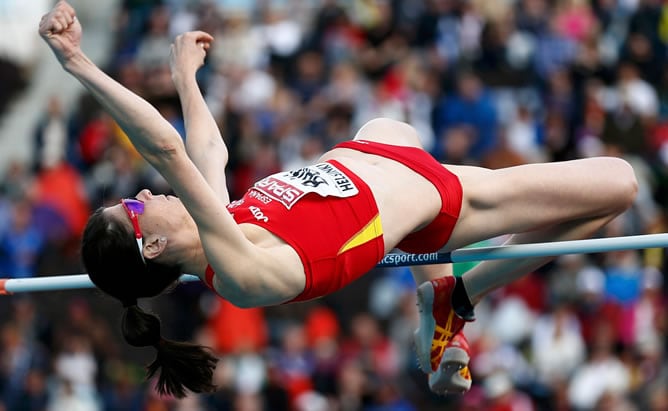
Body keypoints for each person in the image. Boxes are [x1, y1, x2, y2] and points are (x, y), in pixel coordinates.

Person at [39, 0, 638, 399]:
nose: (143, 192)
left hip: (381, 148)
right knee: (618, 185)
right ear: (155, 244)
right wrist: (78, 63)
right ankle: (459, 292)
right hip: (442, 200)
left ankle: (443, 303)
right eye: (135, 206)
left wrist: (187, 81)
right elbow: (168, 153)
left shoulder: (221, 221)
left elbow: (207, 154)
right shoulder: (240, 270)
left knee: (387, 122)